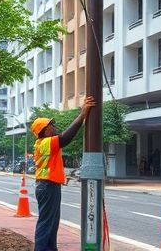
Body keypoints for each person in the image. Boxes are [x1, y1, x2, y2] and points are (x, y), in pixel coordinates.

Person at [31, 96, 95, 251]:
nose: (54, 127)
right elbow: (66, 138)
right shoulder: (45, 143)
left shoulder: (46, 143)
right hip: (47, 186)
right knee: (47, 222)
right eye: (51, 125)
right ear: (44, 130)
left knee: (52, 222)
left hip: (48, 185)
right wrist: (82, 115)